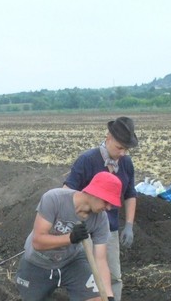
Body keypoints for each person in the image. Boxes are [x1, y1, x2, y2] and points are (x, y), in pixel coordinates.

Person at [63, 116, 139, 301]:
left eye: (126, 149)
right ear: (108, 139)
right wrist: (71, 223)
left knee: (112, 277)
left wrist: (128, 225)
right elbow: (66, 192)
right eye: (119, 147)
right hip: (84, 230)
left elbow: (130, 194)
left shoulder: (126, 164)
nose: (122, 153)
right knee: (85, 277)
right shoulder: (87, 160)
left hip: (109, 231)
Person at [16, 171, 122, 301]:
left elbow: (100, 259)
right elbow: (38, 242)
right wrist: (70, 238)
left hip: (72, 261)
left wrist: (108, 295)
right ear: (95, 193)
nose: (109, 207)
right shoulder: (54, 199)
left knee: (97, 299)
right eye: (107, 202)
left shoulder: (100, 219)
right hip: (37, 262)